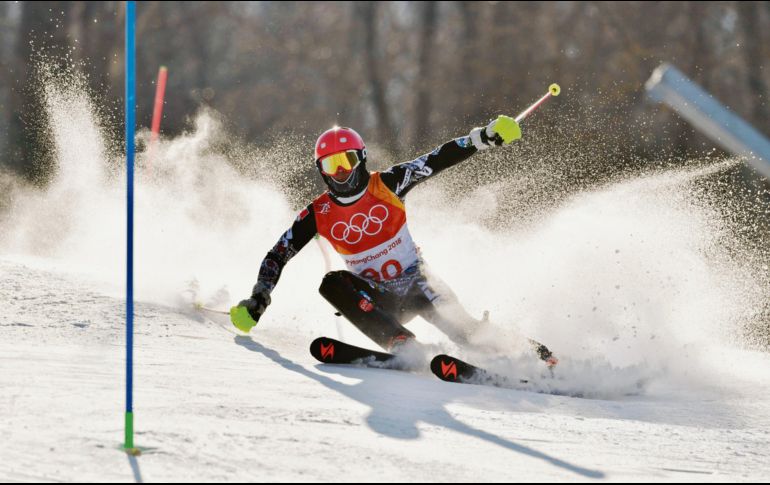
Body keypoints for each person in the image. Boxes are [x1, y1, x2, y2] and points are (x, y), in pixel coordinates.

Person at [231, 117, 557, 366]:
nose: (341, 172)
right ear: (321, 169)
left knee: (469, 335)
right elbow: (279, 253)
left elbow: (437, 158)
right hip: (379, 302)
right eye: (331, 165)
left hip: (420, 285)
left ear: (361, 158)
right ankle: (402, 344)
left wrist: (482, 137)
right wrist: (259, 296)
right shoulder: (318, 212)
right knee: (331, 283)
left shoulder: (388, 183)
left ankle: (538, 354)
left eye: (347, 160)